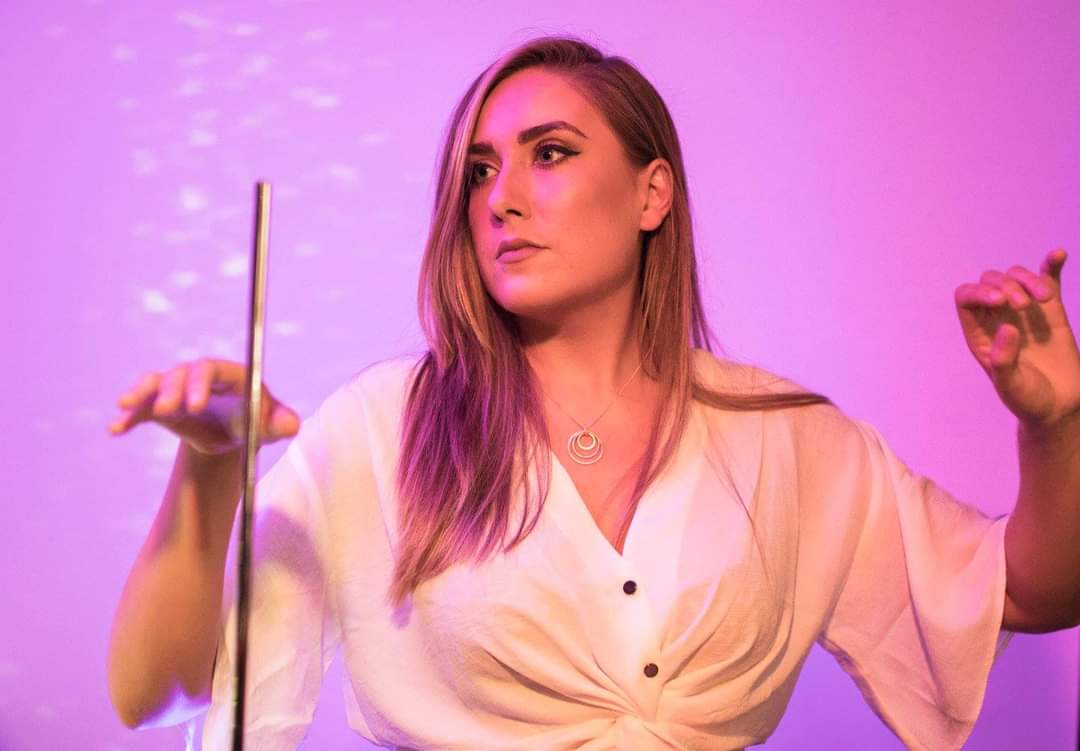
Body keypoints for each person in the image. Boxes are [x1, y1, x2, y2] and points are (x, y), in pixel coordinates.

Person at [105, 35, 1080, 750]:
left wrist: (1056, 426)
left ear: (653, 194)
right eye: (480, 169)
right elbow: (158, 692)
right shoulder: (383, 430)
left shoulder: (789, 441)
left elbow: (1034, 591)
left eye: (552, 152)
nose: (500, 196)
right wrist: (208, 467)